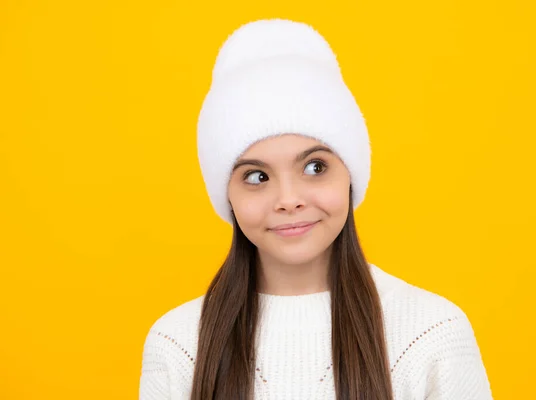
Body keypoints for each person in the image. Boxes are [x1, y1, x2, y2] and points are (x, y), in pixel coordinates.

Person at [139, 18, 493, 400]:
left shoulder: (432, 333)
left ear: (350, 175)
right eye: (257, 176)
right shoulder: (177, 344)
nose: (288, 199)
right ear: (227, 195)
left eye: (315, 167)